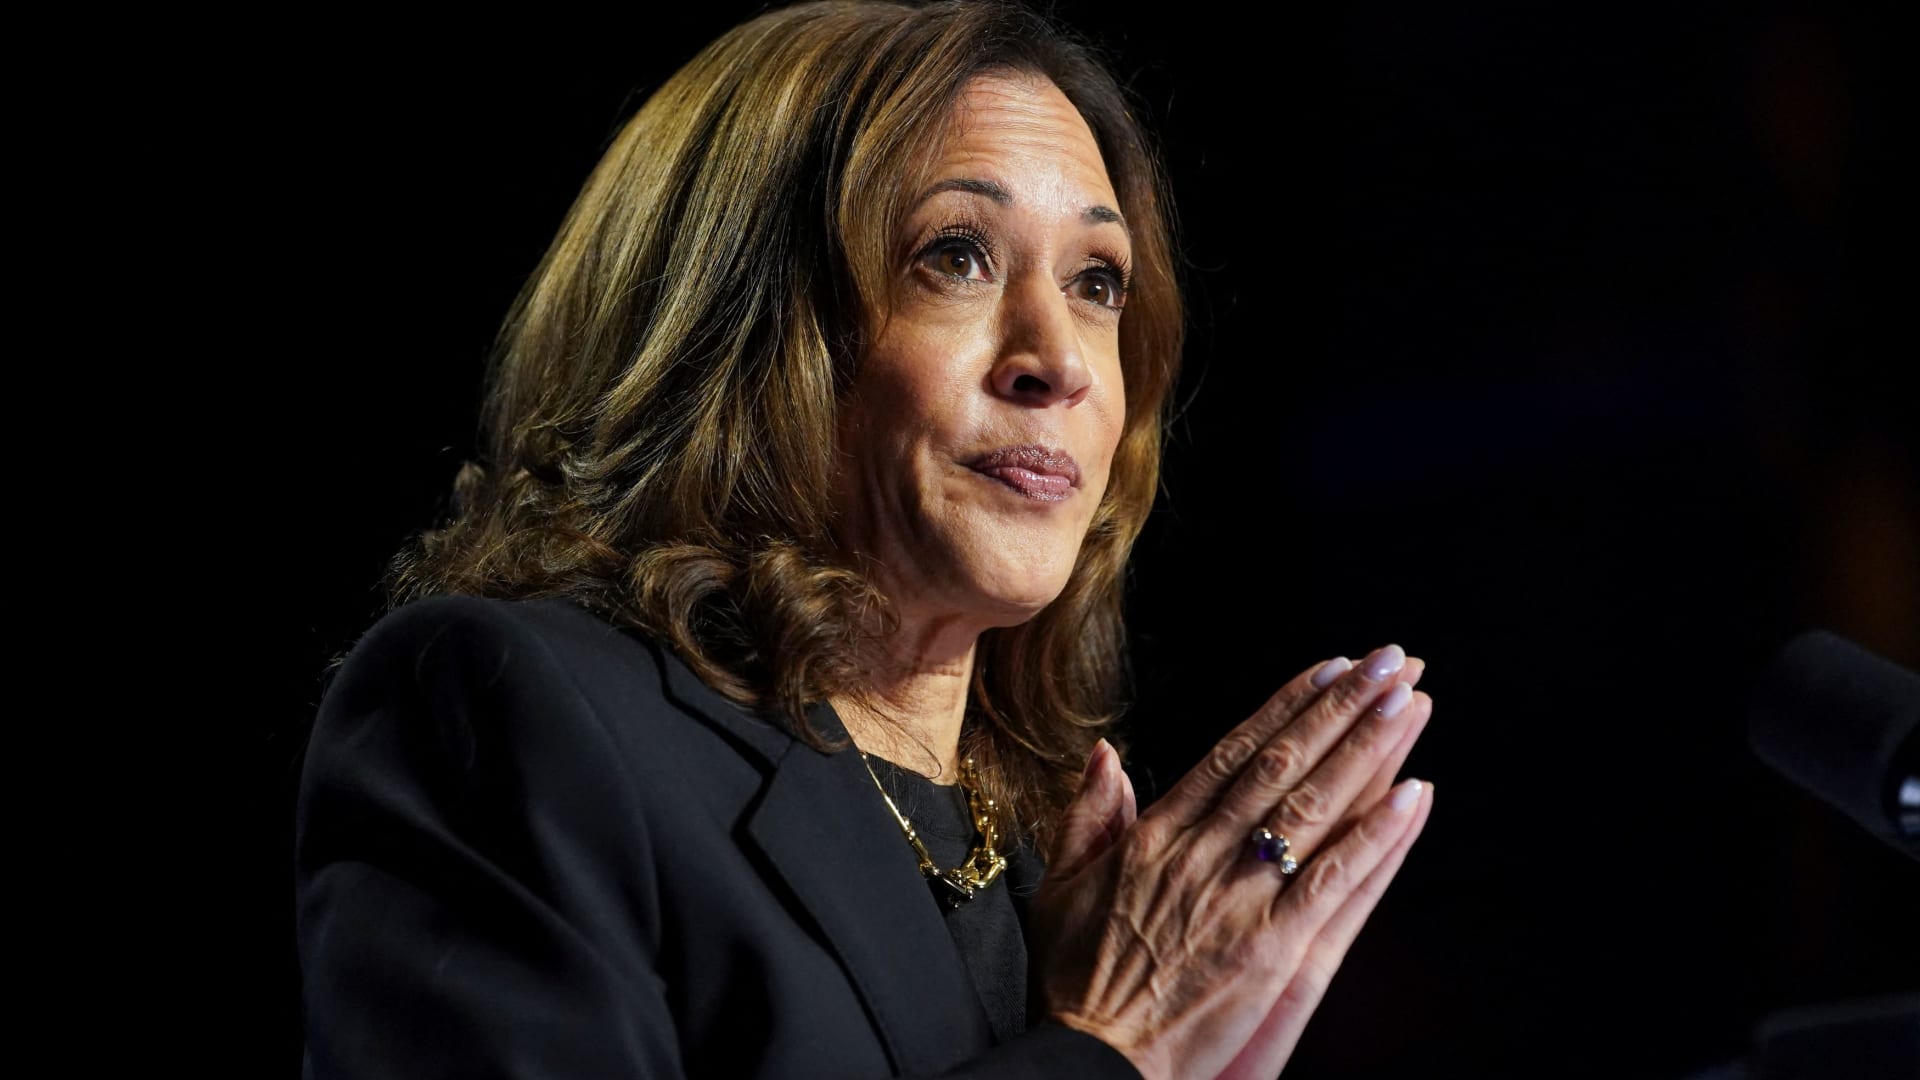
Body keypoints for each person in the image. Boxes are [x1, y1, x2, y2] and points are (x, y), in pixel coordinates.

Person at [294, 2, 1437, 1078]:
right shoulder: (506, 709)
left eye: (1098, 282)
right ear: (741, 324)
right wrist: (1106, 1050)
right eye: (956, 256)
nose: (1061, 361)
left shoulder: (1064, 872)